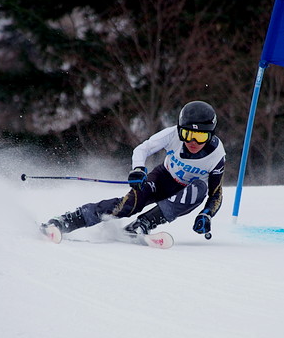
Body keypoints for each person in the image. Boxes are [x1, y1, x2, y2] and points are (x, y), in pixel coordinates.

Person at [42, 100, 225, 238]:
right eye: (187, 134)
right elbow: (142, 149)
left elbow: (215, 194)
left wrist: (206, 215)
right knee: (128, 205)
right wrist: (138, 169)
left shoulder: (216, 156)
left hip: (184, 192)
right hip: (161, 178)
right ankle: (69, 220)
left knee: (199, 189)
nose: (192, 142)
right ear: (180, 130)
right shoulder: (172, 135)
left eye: (200, 136)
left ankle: (143, 224)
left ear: (211, 135)